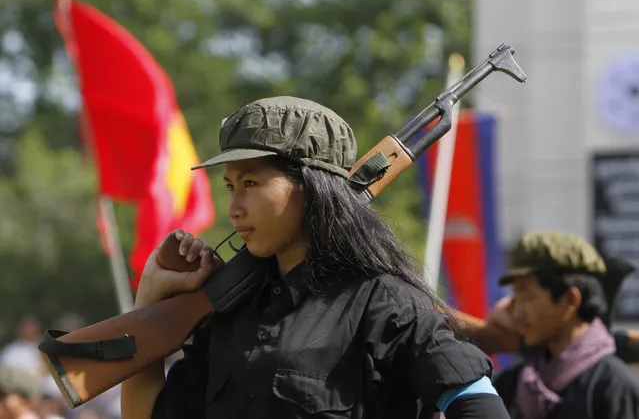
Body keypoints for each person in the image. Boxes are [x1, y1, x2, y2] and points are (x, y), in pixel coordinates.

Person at [121, 96, 509, 419]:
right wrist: (151, 296)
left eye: (251, 183)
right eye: (230, 187)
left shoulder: (386, 304)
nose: (234, 208)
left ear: (312, 189)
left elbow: (476, 403)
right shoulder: (230, 313)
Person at [490, 230, 639, 419]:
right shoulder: (510, 383)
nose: (517, 313)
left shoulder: (615, 389)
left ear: (570, 299)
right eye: (515, 298)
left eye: (527, 297)